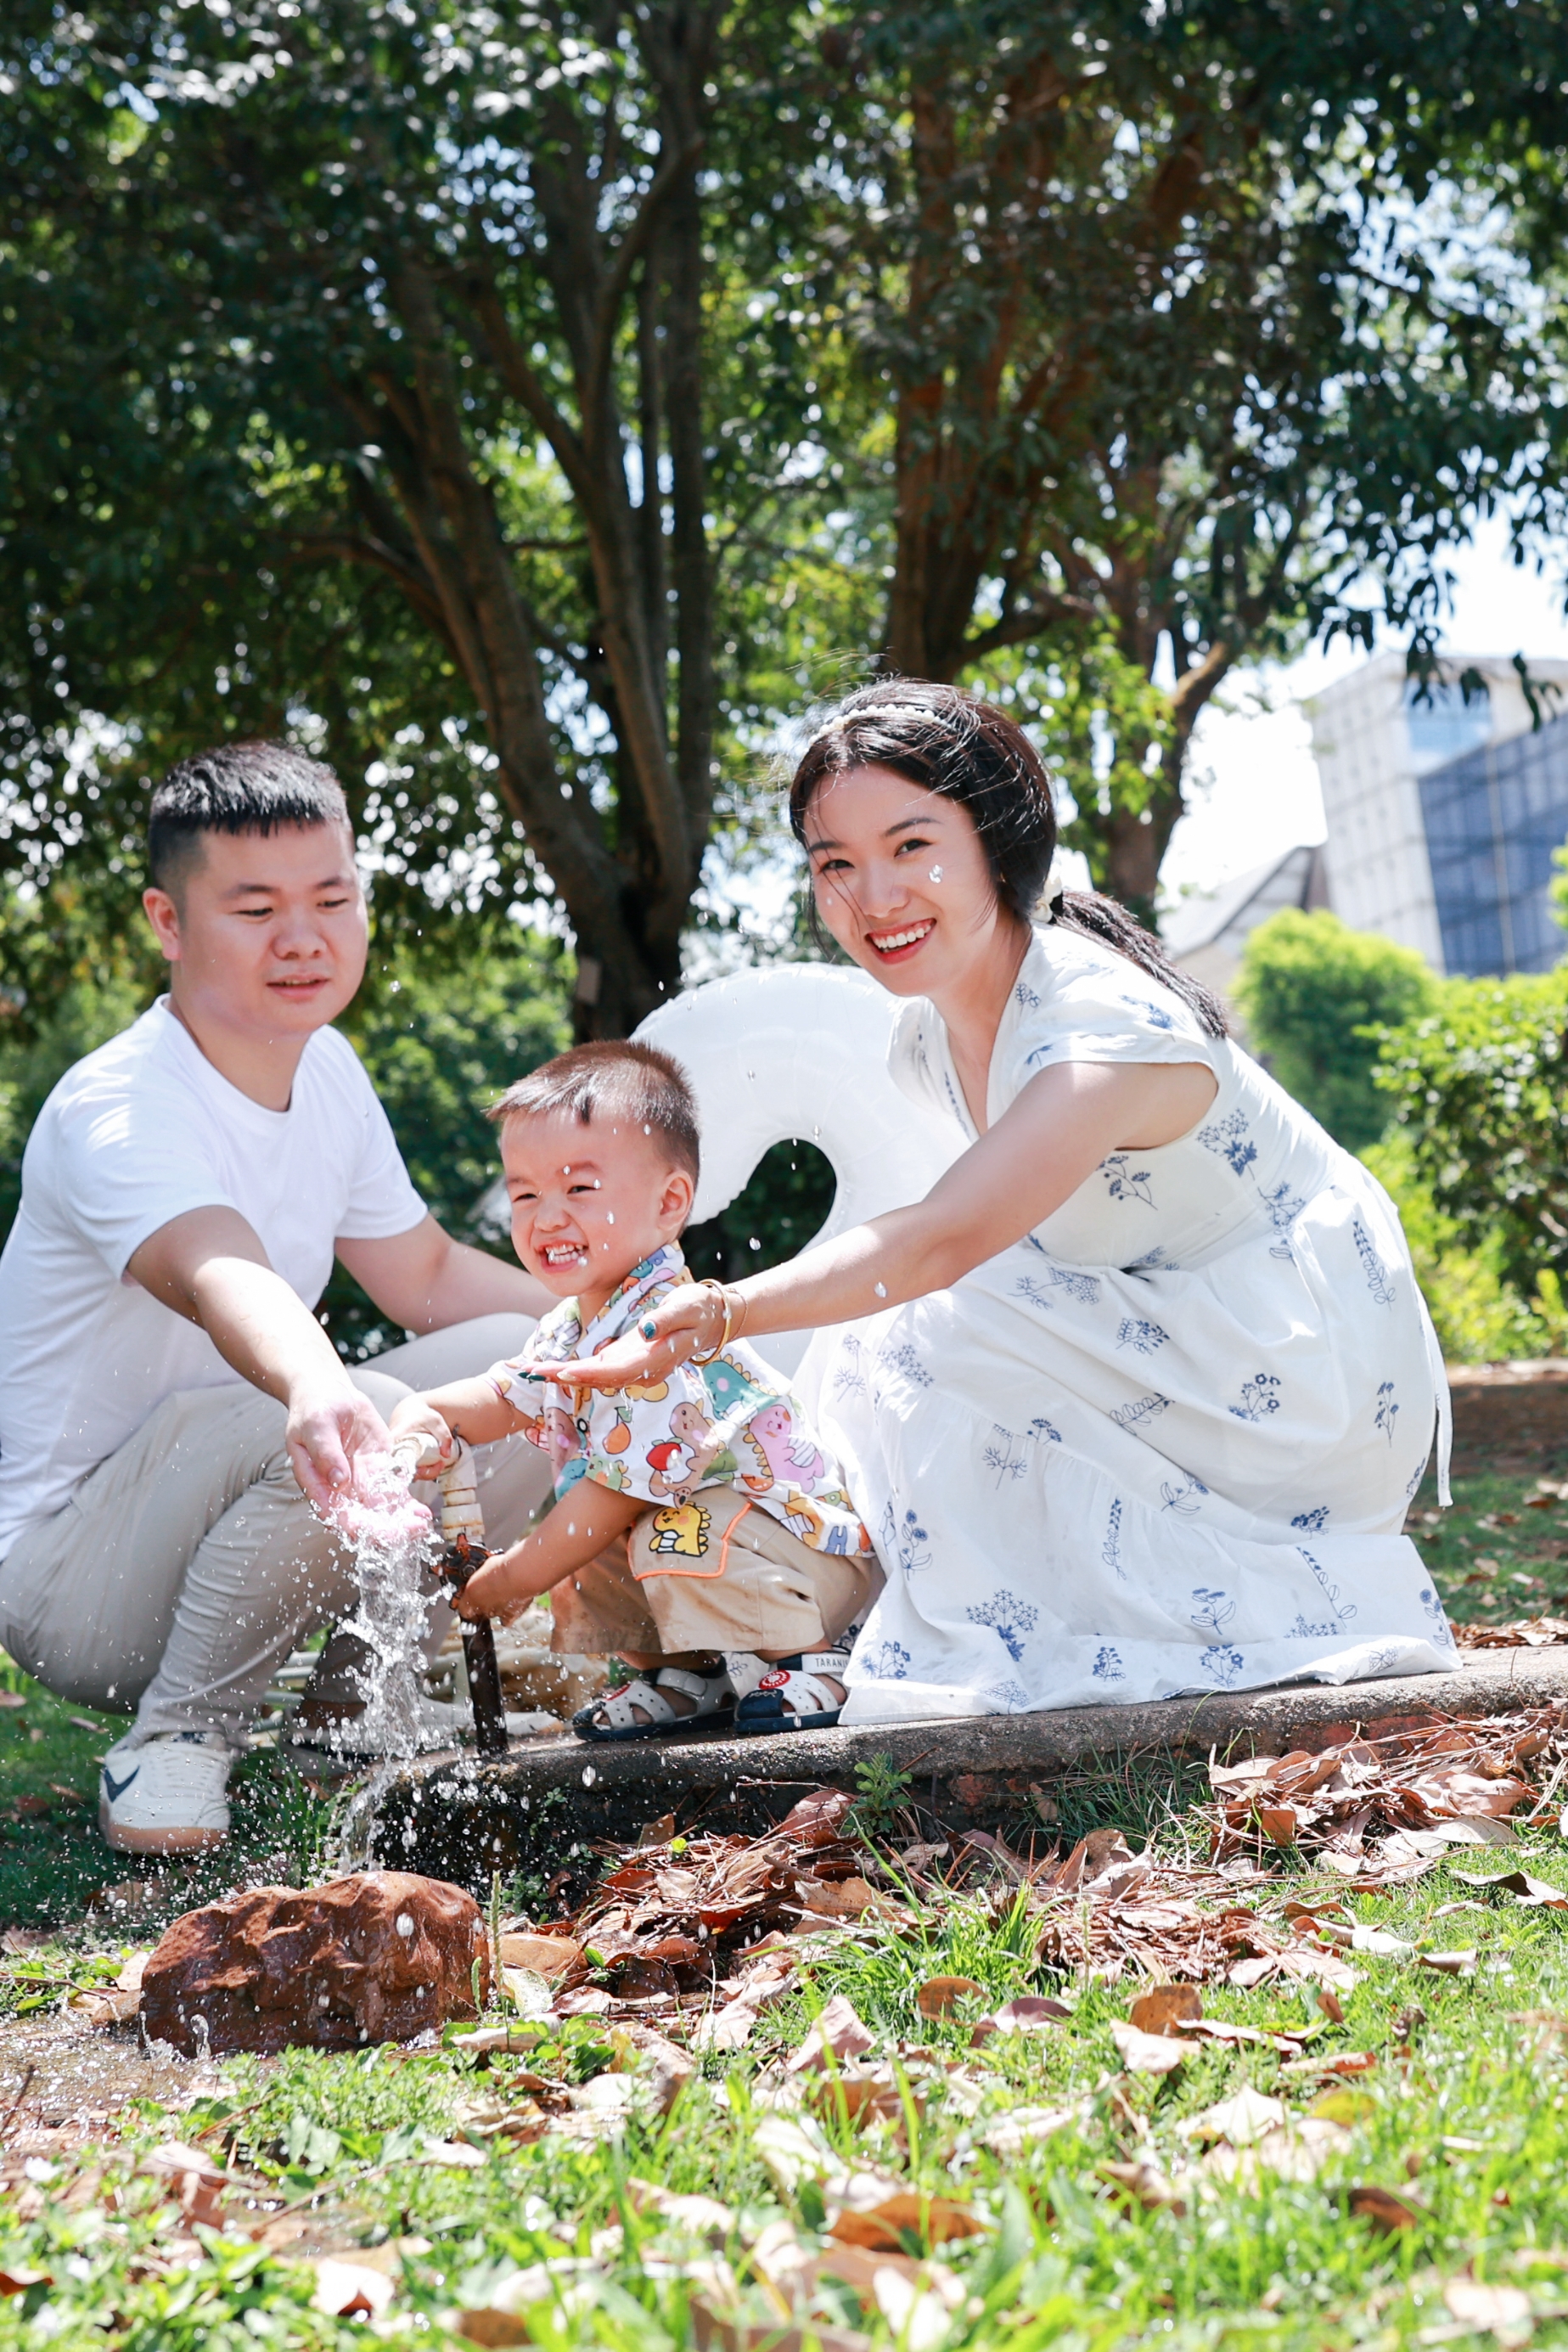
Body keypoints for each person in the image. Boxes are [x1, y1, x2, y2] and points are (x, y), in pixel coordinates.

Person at [545, 681, 1456, 1723]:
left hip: (1299, 1362)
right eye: (834, 864)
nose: (872, 896)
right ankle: (767, 1626)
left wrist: (719, 1311)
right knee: (891, 1343)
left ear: (997, 840)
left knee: (923, 1323)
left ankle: (865, 1637)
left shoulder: (1094, 1027)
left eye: (910, 846)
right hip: (1175, 1325)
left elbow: (939, 1241)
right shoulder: (926, 1039)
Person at [0, 742, 554, 1854]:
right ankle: (175, 1738)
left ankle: (357, 1704)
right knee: (345, 1409)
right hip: (74, 1578)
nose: (302, 938)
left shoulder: (328, 1070)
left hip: (235, 1504)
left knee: (534, 1359)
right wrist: (314, 1382)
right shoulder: (119, 1104)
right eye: (255, 909)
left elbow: (426, 1275)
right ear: (168, 921)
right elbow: (221, 1271)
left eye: (331, 900)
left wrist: (636, 1324)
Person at [387, 1040, 881, 1741]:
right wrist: (428, 1412)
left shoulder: (662, 1330)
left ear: (668, 1202)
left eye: (579, 1190)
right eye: (525, 1194)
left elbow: (618, 1492)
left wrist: (514, 1577)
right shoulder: (573, 1325)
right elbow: (512, 1394)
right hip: (712, 1535)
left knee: (614, 1527)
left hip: (801, 1557)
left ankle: (814, 1658)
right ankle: (681, 1674)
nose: (546, 1218)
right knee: (594, 1543)